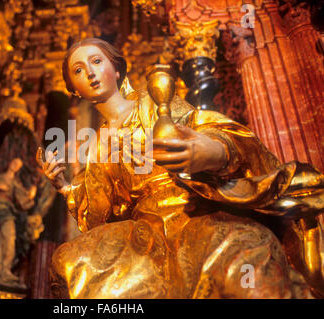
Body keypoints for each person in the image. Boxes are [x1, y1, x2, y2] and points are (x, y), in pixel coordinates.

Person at [37, 38, 323, 298]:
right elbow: (99, 214)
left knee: (242, 256)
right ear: (74, 89)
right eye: (78, 70)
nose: (89, 72)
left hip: (194, 210)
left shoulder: (152, 103)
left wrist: (207, 151)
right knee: (73, 262)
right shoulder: (98, 146)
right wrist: (63, 186)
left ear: (116, 68)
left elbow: (209, 131)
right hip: (143, 233)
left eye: (97, 61)